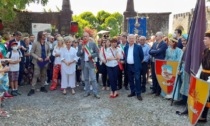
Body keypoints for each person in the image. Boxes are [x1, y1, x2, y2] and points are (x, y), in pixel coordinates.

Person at [77, 32, 100, 99]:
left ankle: (96, 93)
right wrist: (81, 50)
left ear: (88, 37)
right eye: (83, 36)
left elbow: (97, 53)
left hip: (91, 63)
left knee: (93, 79)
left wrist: (91, 55)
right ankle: (87, 92)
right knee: (86, 79)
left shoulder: (93, 44)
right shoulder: (81, 45)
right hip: (84, 64)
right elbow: (78, 54)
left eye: (86, 36)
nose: (85, 37)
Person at [27, 31, 50, 96]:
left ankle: (42, 87)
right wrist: (37, 58)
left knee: (43, 74)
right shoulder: (35, 43)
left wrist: (48, 56)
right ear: (40, 36)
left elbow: (49, 52)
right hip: (37, 61)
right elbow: (31, 52)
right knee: (36, 74)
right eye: (43, 35)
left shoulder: (47, 43)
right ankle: (32, 88)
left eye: (45, 35)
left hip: (45, 61)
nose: (45, 36)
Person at [195, 30, 210, 123]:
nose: (204, 40)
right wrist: (197, 75)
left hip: (209, 77)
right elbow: (202, 65)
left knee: (208, 97)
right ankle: (203, 116)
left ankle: (204, 116)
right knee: (203, 96)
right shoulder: (205, 50)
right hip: (203, 75)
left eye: (206, 38)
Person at [124, 34, 144, 101]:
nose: (131, 40)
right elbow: (125, 56)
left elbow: (142, 56)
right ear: (128, 39)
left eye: (133, 38)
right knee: (130, 80)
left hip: (136, 66)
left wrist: (138, 63)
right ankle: (132, 92)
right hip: (129, 66)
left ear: (135, 39)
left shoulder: (138, 47)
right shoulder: (126, 47)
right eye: (130, 38)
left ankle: (138, 94)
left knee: (137, 79)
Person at [149, 31, 168, 96]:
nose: (155, 36)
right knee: (153, 76)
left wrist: (154, 52)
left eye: (156, 35)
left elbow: (160, 51)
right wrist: (156, 52)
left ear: (160, 36)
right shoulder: (154, 43)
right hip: (153, 62)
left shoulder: (164, 44)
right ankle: (154, 89)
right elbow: (150, 51)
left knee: (158, 76)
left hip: (160, 62)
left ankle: (158, 91)